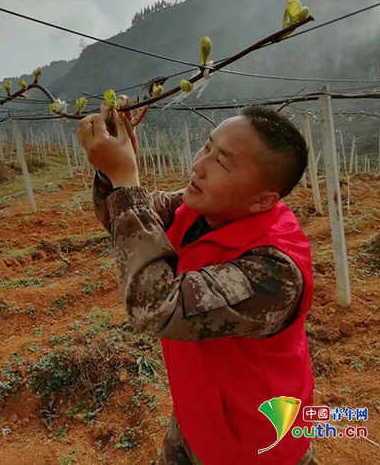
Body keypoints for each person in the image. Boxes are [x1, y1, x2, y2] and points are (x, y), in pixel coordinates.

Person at [77, 104, 318, 465]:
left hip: (254, 443)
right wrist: (113, 168)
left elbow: (155, 307)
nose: (198, 165)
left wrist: (126, 179)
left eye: (221, 162)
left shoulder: (274, 271)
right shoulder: (197, 207)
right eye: (207, 146)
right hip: (198, 412)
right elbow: (123, 216)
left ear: (263, 199)